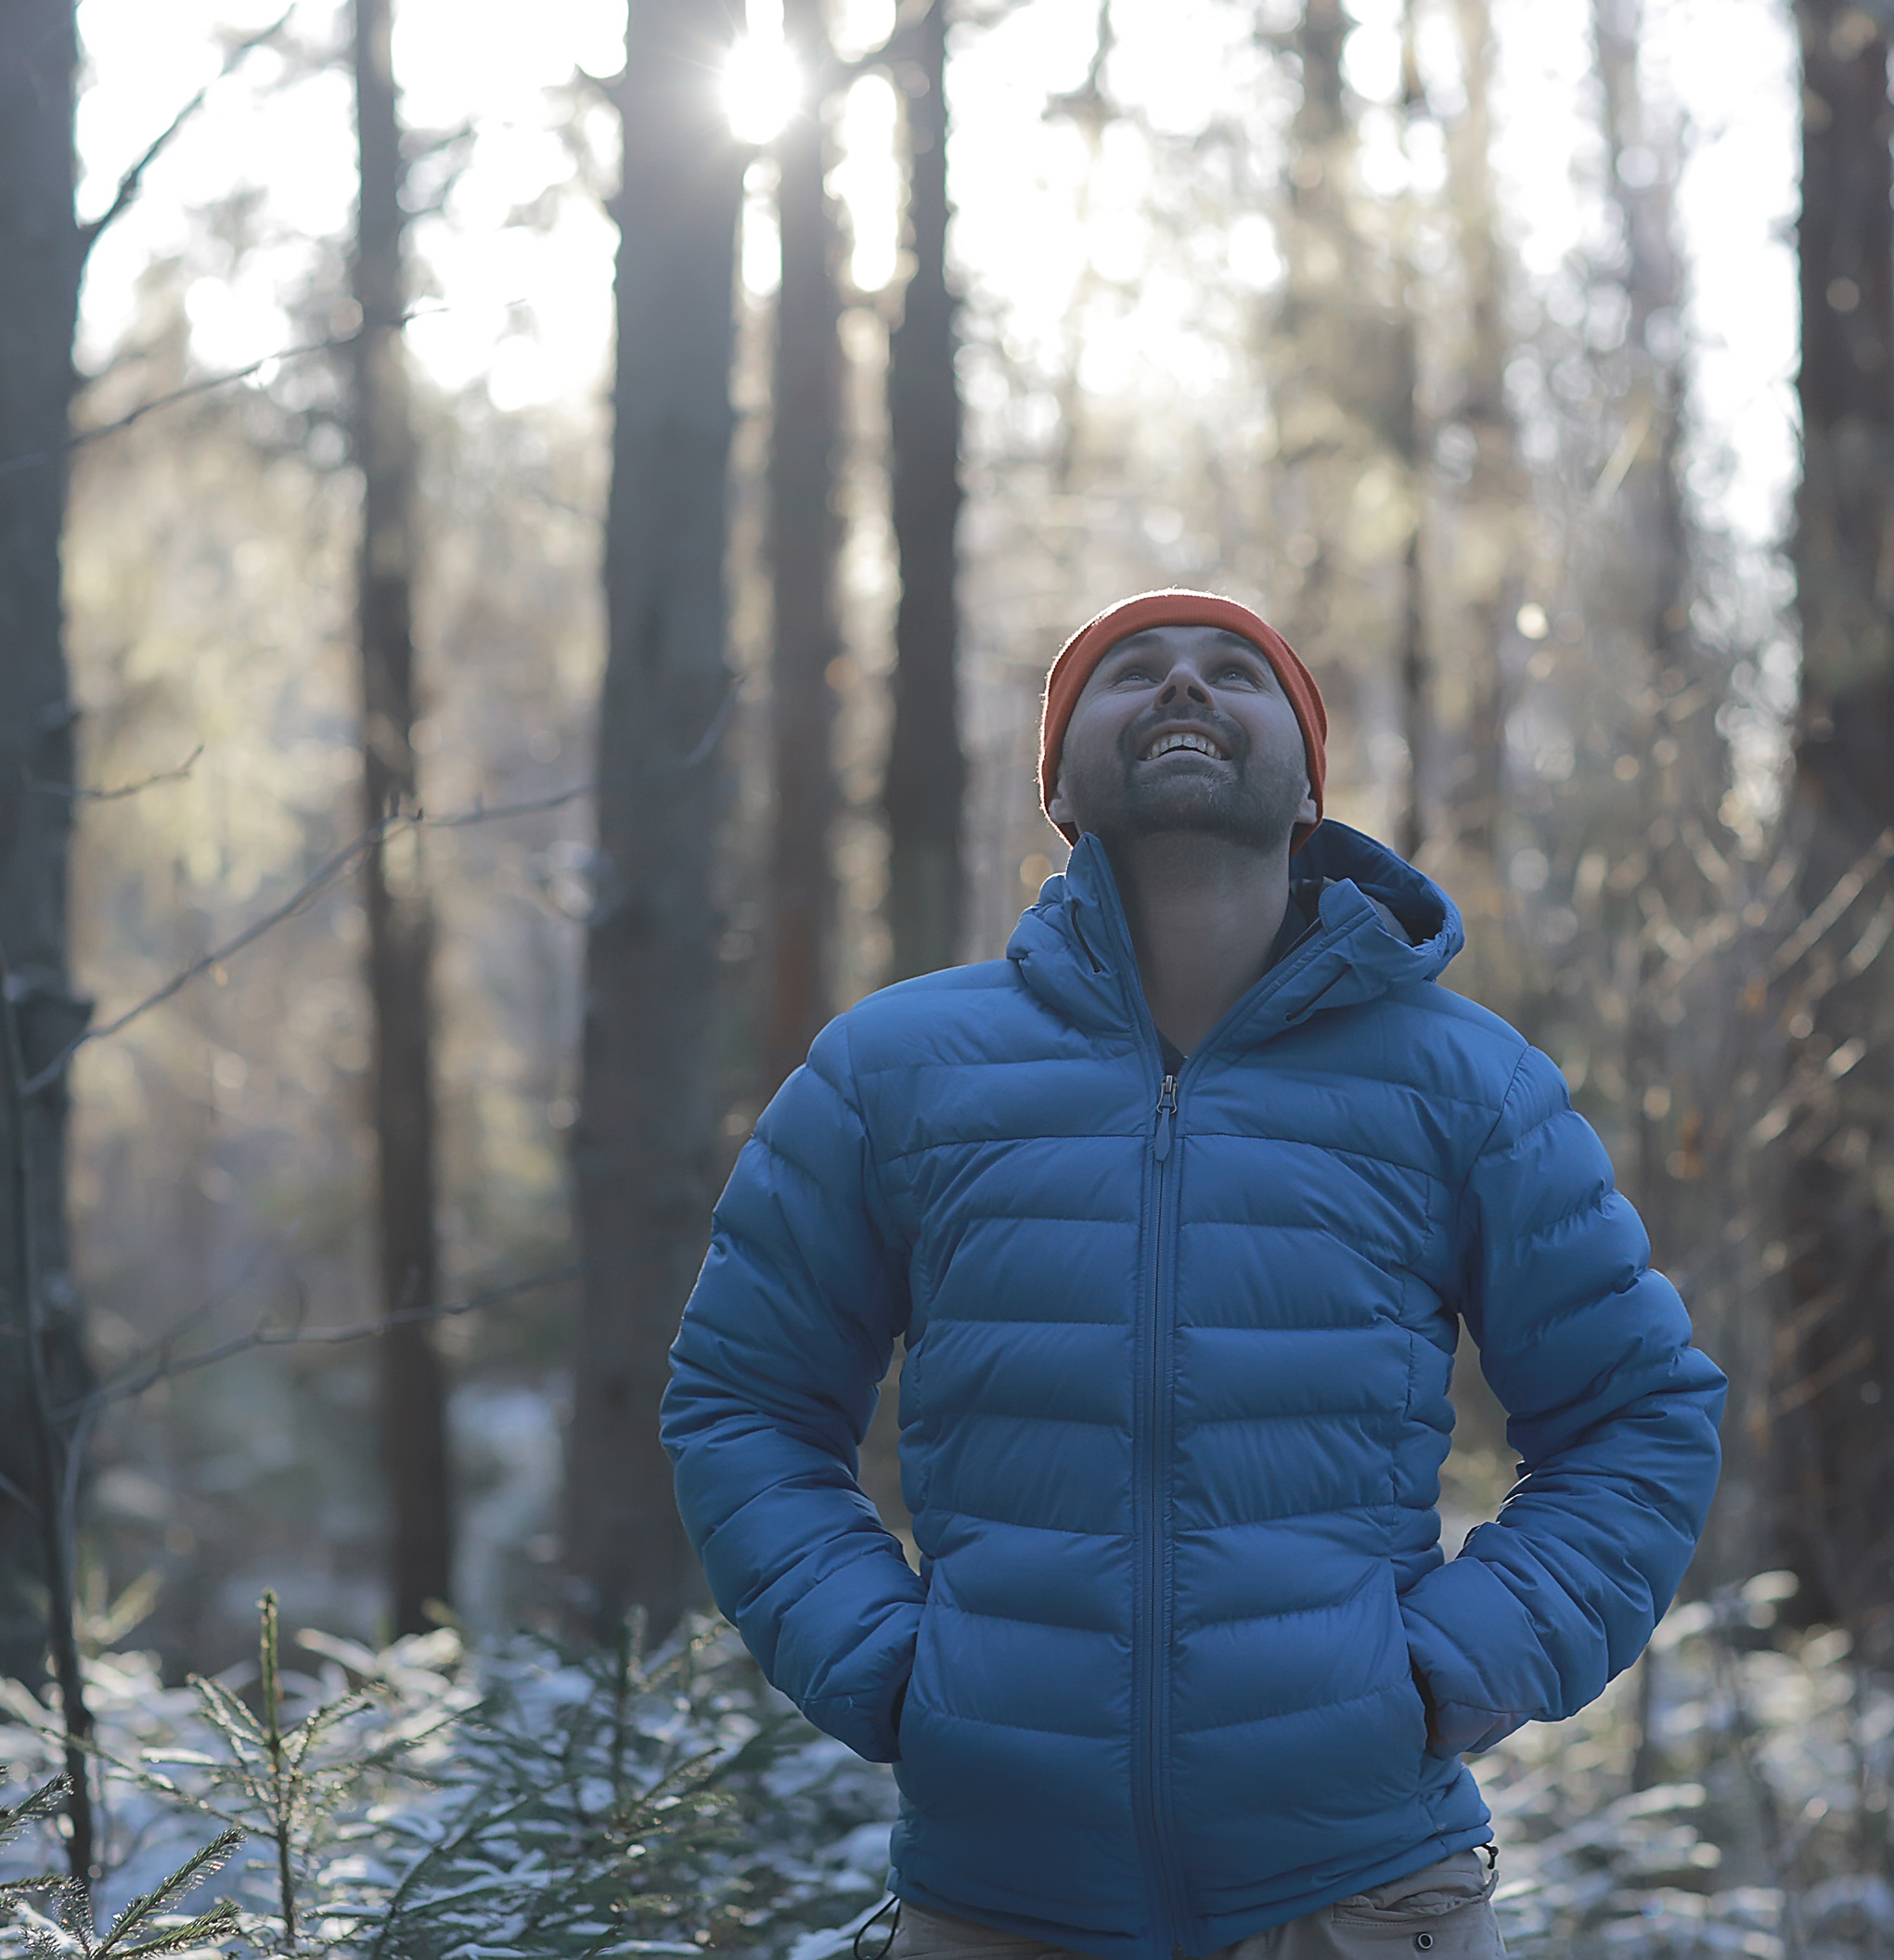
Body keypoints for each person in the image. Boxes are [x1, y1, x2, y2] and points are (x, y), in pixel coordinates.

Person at [664, 590, 1725, 1960]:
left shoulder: (1467, 1082)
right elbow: (744, 1402)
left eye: (1235, 671)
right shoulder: (893, 1070)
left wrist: (1443, 1672)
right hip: (999, 1896)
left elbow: (1638, 1414)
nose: (1181, 688)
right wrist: (885, 1667)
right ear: (1058, 781)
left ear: (1304, 782)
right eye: (1130, 673)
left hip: (1359, 1894)